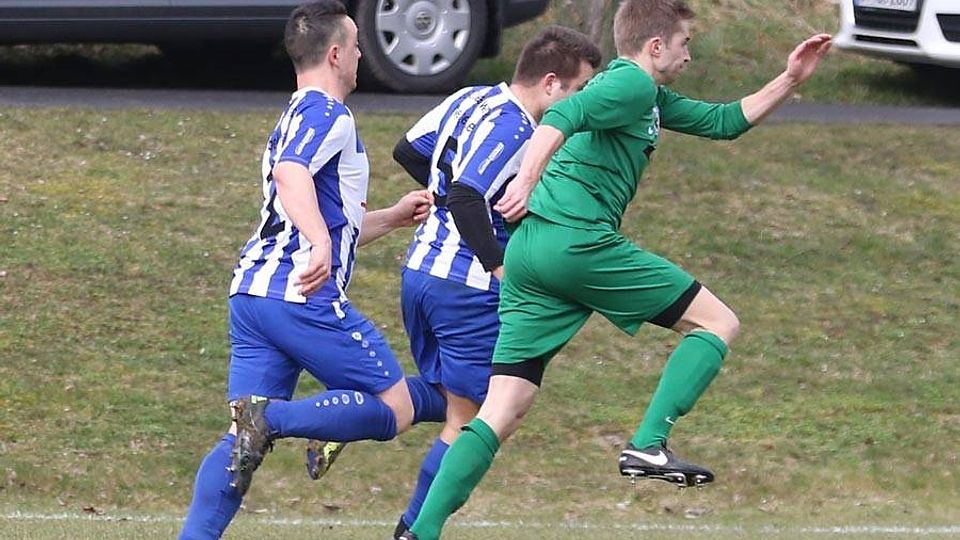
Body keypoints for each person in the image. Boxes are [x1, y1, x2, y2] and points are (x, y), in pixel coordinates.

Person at [400, 0, 833, 537]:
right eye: (685, 44)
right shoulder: (630, 83)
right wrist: (527, 180)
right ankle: (649, 443)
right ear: (656, 46)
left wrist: (789, 79)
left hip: (531, 252)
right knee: (717, 323)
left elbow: (722, 122)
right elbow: (561, 115)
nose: (689, 55)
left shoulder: (647, 96)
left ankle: (419, 532)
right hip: (576, 242)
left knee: (502, 409)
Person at [178, 2, 446, 538]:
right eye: (357, 46)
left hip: (253, 294)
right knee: (394, 409)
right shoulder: (329, 114)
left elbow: (314, 215)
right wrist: (321, 243)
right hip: (299, 295)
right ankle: (276, 420)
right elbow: (290, 174)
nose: (362, 55)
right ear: (336, 54)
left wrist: (390, 218)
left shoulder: (293, 115)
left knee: (238, 441)